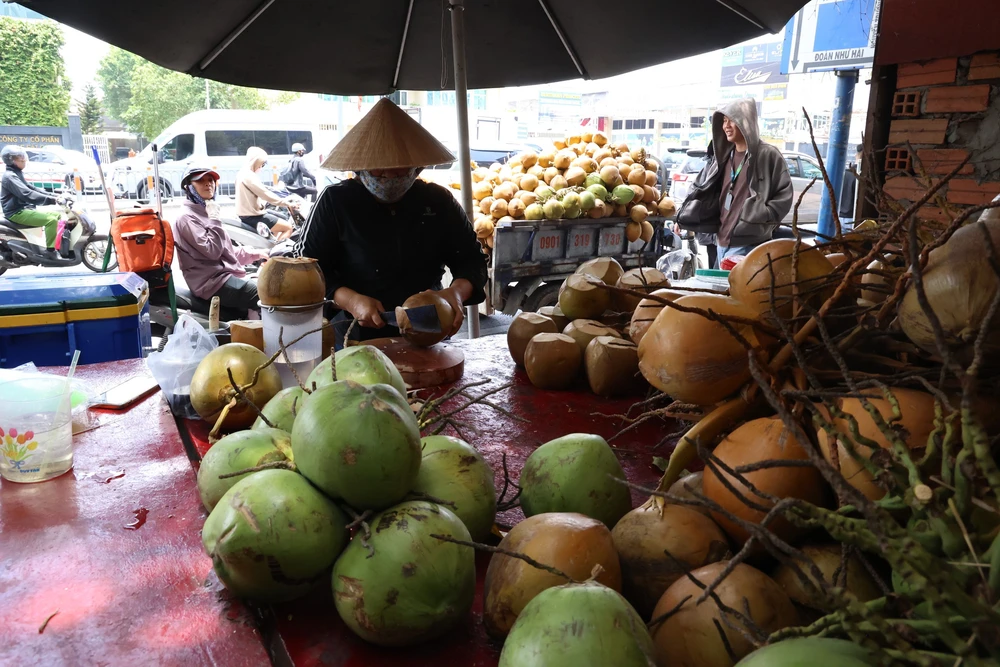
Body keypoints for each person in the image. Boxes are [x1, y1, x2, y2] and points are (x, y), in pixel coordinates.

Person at [293, 98, 487, 347]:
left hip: (429, 328)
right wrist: (351, 300)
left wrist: (457, 293)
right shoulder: (335, 201)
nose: (389, 177)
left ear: (417, 168)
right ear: (360, 168)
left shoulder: (438, 201)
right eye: (378, 171)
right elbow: (306, 267)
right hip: (354, 334)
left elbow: (472, 260)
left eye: (400, 170)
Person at [675, 99, 793, 267]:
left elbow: (784, 194)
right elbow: (698, 187)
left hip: (748, 243)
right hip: (720, 240)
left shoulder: (768, 155)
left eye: (732, 120)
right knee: (719, 290)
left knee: (730, 290)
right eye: (723, 121)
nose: (726, 126)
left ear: (747, 123)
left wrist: (761, 217)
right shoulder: (721, 157)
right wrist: (683, 216)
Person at [173, 165, 268, 318]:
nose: (207, 184)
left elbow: (225, 251)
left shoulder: (205, 210)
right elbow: (213, 252)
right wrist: (214, 219)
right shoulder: (187, 218)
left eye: (210, 180)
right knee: (263, 294)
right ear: (188, 187)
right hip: (212, 283)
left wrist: (255, 254)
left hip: (224, 276)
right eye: (200, 180)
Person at [1, 145, 68, 257]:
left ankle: (56, 245)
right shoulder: (10, 177)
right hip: (17, 212)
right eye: (19, 157)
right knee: (50, 221)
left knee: (57, 215)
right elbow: (27, 194)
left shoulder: (17, 173)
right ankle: (50, 252)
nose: (24, 159)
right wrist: (51, 200)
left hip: (23, 209)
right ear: (11, 160)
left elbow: (32, 188)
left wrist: (55, 196)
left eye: (22, 156)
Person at [236, 147, 295, 242]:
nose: (261, 167)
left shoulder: (243, 173)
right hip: (253, 215)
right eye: (262, 164)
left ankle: (271, 245)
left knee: (281, 218)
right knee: (288, 227)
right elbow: (265, 194)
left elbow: (261, 188)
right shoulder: (249, 175)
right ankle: (277, 254)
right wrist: (285, 202)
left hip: (247, 214)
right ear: (256, 162)